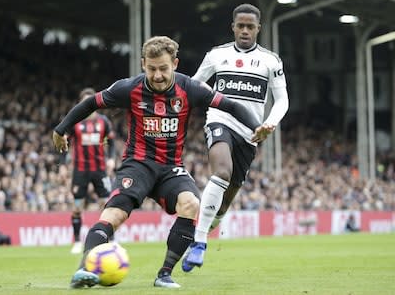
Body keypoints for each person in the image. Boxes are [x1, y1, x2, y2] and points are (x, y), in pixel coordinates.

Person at [52, 36, 260, 289]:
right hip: (137, 164)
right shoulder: (128, 88)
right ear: (143, 64)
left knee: (191, 204)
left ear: (175, 63)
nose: (158, 75)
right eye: (151, 69)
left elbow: (230, 105)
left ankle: (164, 274)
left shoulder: (190, 88)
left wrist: (258, 127)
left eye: (163, 68)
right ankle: (85, 269)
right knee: (114, 215)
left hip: (170, 168)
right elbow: (90, 103)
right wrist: (61, 129)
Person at [182, 3, 289, 272]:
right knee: (221, 172)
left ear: (258, 29)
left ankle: (209, 223)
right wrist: (211, 98)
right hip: (220, 121)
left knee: (225, 201)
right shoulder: (217, 55)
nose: (244, 30)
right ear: (233, 27)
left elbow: (282, 100)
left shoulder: (271, 60)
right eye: (240, 26)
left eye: (250, 27)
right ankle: (199, 243)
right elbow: (196, 83)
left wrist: (269, 124)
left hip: (251, 132)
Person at [67, 87, 116, 254]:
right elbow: (64, 140)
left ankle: (110, 240)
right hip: (80, 170)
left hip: (100, 169)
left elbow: (110, 142)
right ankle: (77, 241)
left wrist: (110, 157)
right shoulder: (75, 122)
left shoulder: (104, 122)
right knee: (77, 206)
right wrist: (61, 163)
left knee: (107, 206)